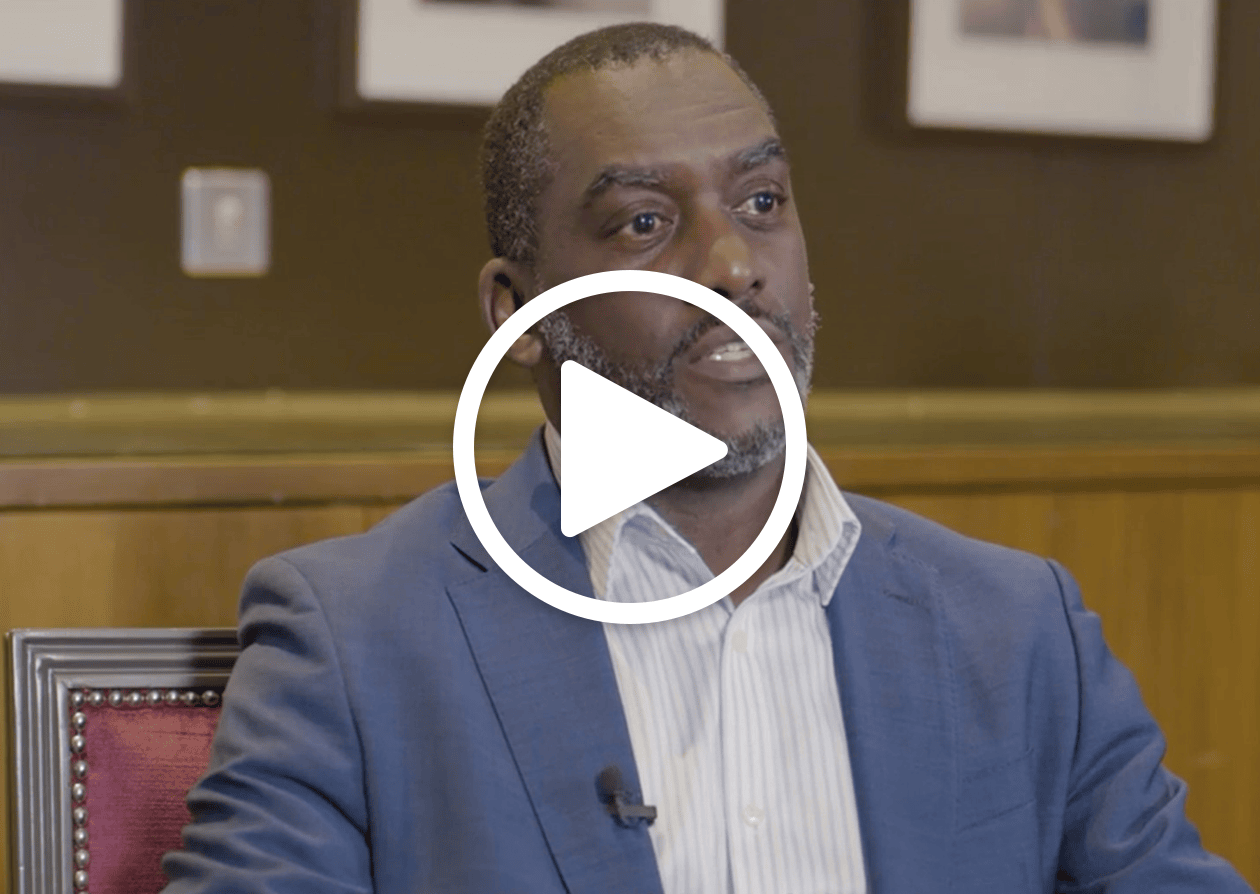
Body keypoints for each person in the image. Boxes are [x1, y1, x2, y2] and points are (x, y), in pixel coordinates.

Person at [161, 23, 1251, 894]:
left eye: (761, 203)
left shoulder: (1019, 633)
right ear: (519, 313)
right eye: (645, 223)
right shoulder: (355, 644)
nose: (733, 265)